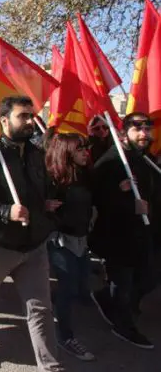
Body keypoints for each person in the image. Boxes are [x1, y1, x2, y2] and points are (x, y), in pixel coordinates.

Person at [0, 96, 63, 371]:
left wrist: (44, 205)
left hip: (33, 245)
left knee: (40, 308)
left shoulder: (37, 154)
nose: (30, 121)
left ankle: (49, 366)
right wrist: (5, 211)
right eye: (23, 116)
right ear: (5, 121)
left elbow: (37, 190)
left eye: (31, 115)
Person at [89, 112, 158, 350]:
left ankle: (107, 298)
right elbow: (96, 196)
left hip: (144, 233)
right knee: (123, 282)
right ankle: (123, 325)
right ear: (125, 131)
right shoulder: (113, 160)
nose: (144, 133)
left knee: (149, 278)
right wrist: (123, 197)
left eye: (147, 128)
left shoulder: (145, 159)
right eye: (138, 129)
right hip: (118, 235)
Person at [45, 133, 95, 361]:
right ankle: (65, 336)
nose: (86, 152)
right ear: (67, 152)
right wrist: (44, 205)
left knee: (82, 286)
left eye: (86, 147)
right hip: (60, 241)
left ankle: (52, 308)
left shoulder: (85, 174)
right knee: (69, 287)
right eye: (80, 148)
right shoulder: (52, 179)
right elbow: (29, 200)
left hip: (81, 241)